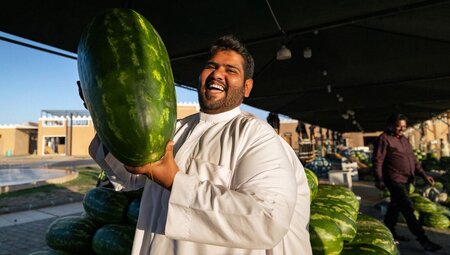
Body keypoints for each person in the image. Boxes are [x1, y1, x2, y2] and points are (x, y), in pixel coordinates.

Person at [86, 35, 312, 255]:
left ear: (247, 87)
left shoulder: (256, 135)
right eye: (211, 66)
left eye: (230, 70)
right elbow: (130, 176)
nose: (217, 74)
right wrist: (101, 112)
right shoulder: (174, 128)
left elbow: (267, 219)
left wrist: (174, 181)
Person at [373, 113, 442, 252]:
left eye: (403, 126)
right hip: (393, 179)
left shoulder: (404, 139)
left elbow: (413, 160)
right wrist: (379, 178)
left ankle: (390, 232)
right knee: (408, 208)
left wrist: (424, 175)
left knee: (395, 206)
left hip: (406, 179)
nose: (401, 129)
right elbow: (378, 160)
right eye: (398, 126)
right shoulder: (384, 139)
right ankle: (423, 240)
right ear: (390, 125)